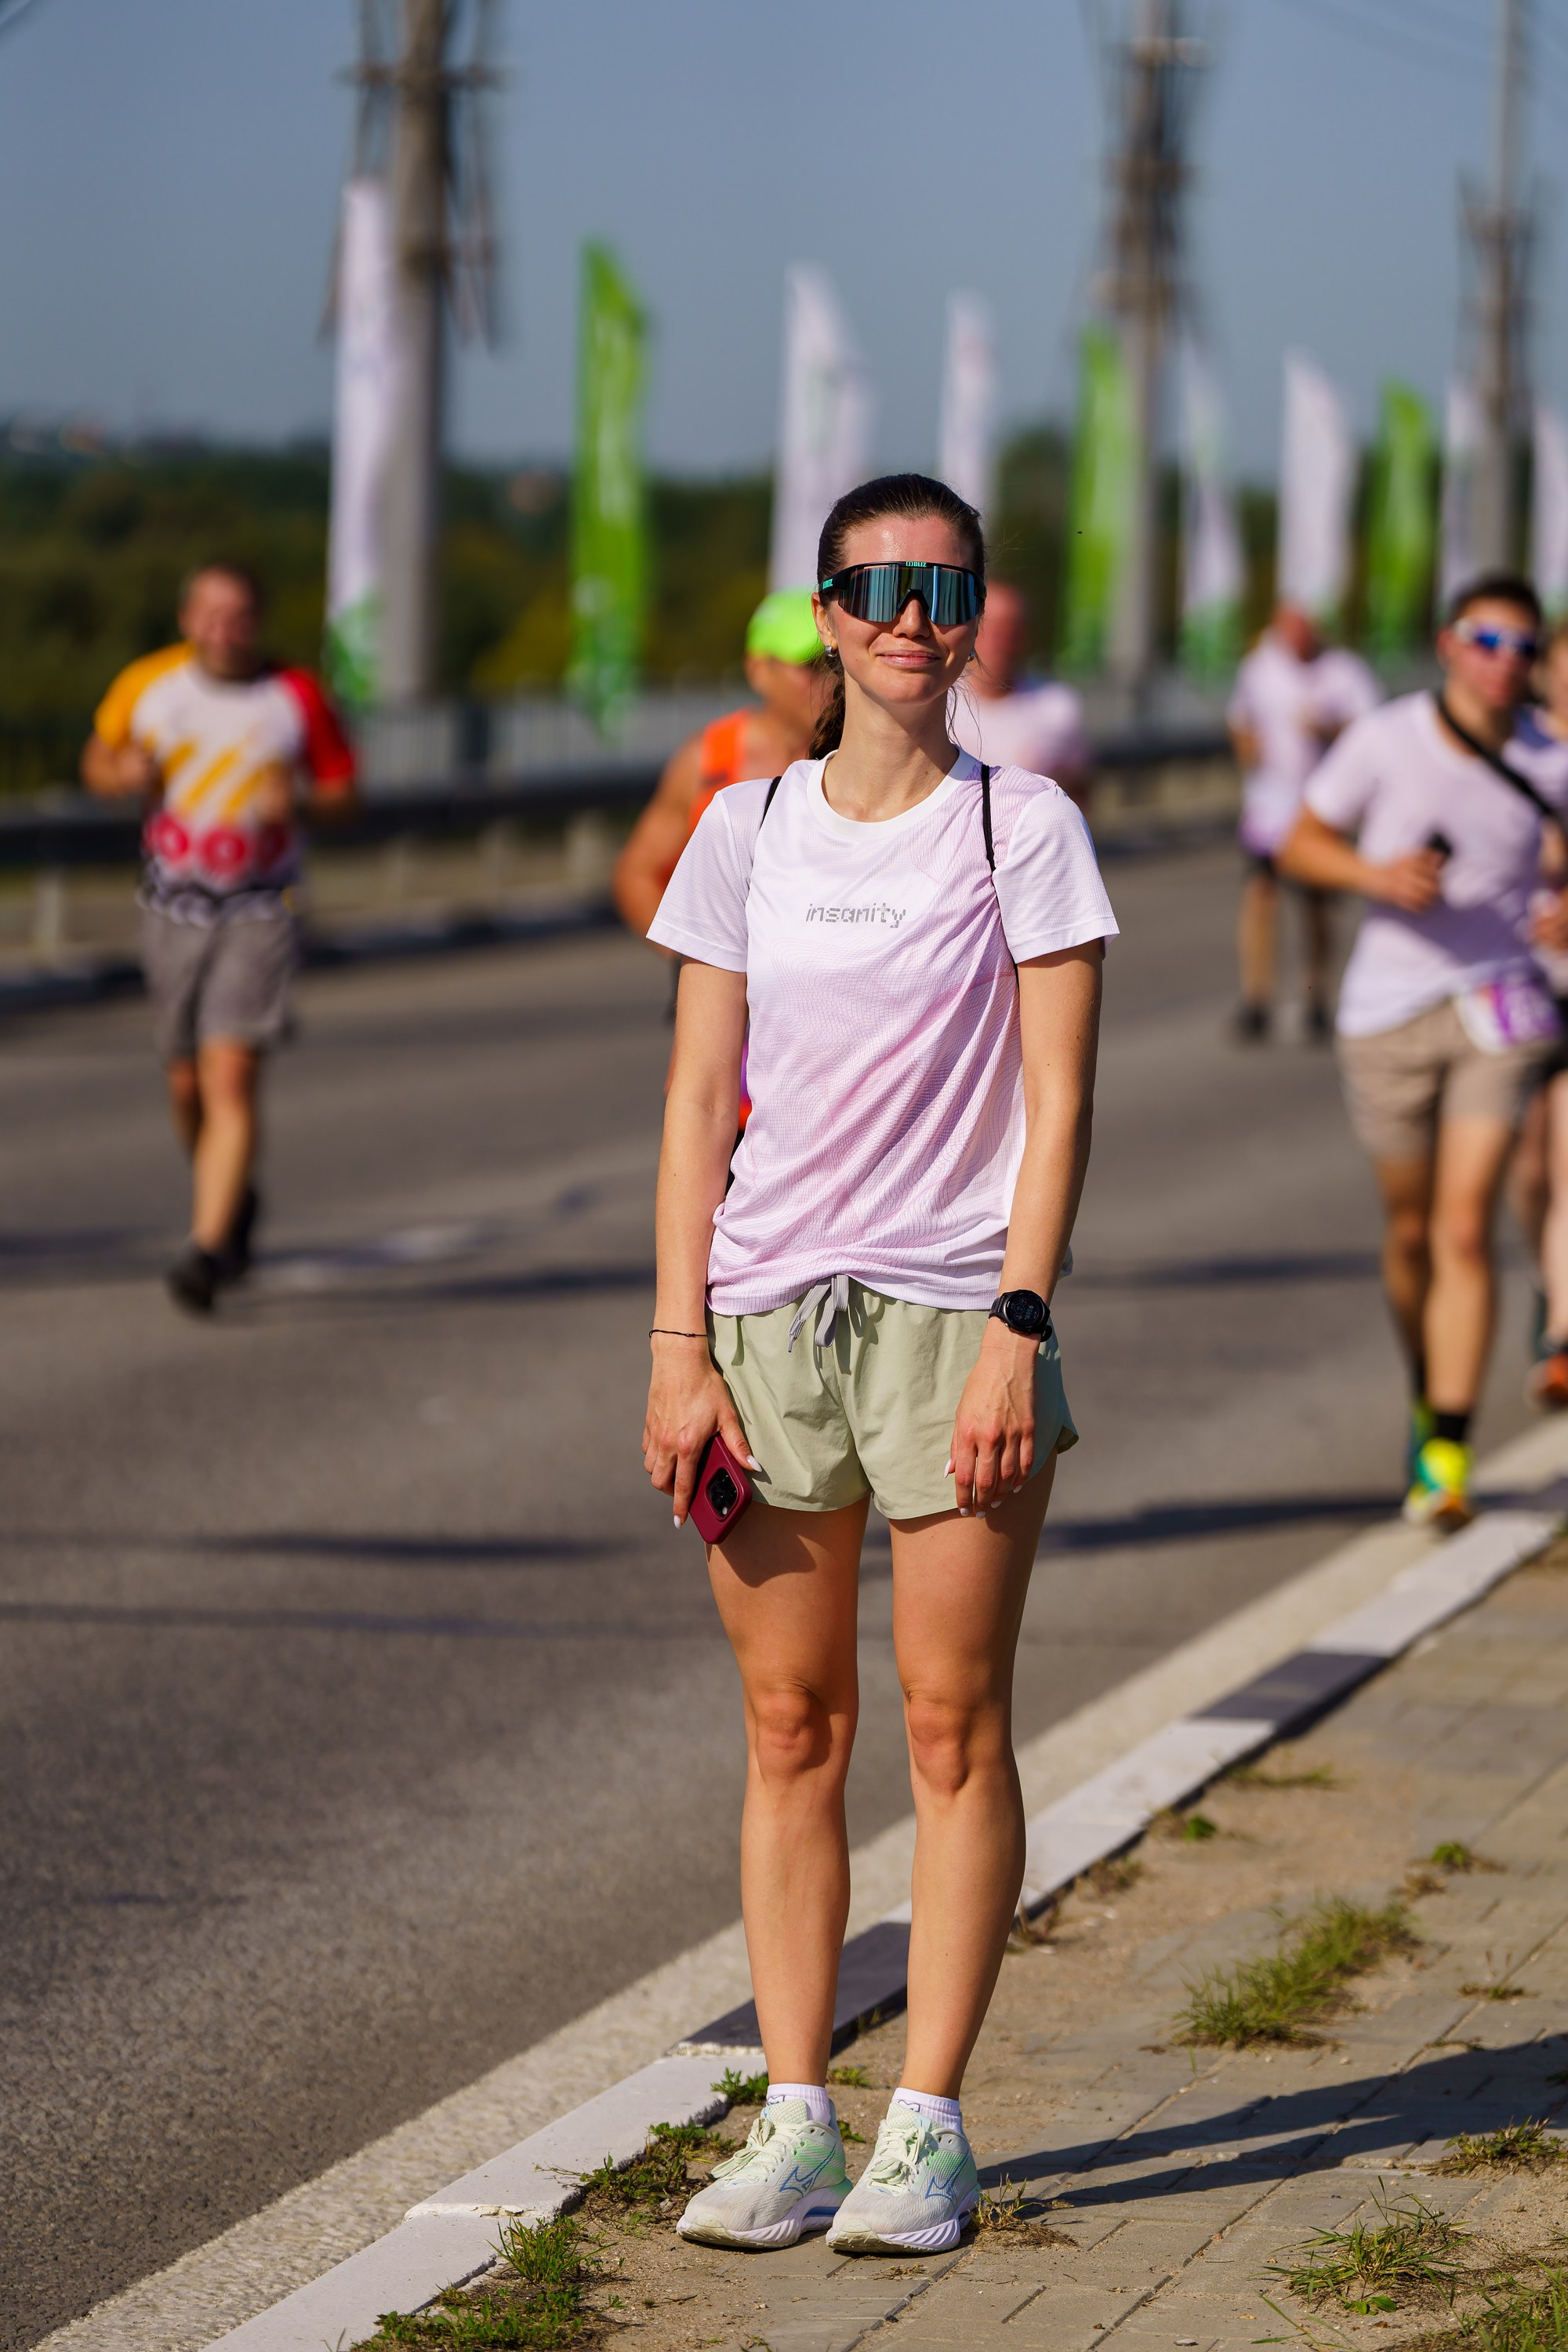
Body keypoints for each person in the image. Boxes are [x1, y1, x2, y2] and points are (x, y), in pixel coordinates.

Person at [641, 474, 1116, 2257]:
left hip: (949, 1319)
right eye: (878, 586)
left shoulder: (1022, 826)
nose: (914, 615)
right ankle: (792, 2118)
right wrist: (679, 1345)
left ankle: (926, 2119)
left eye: (946, 586)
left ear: (974, 616)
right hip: (762, 1322)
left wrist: (1018, 1319)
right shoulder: (744, 827)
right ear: (824, 618)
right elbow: (696, 1102)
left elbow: (1058, 1098)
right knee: (786, 1727)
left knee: (941, 1720)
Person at [1279, 574, 1568, 1527]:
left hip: (1498, 1007)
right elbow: (1298, 841)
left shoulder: (1549, 756)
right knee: (1408, 1236)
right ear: (1447, 644)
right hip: (1384, 1015)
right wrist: (1375, 874)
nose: (1504, 664)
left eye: (1522, 649)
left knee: (1459, 1227)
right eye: (1486, 641)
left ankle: (1445, 1448)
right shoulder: (1385, 739)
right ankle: (1425, 1384)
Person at [82, 564, 357, 1314]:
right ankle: (230, 1196)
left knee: (229, 1072)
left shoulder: (294, 696)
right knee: (185, 1082)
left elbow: (343, 791)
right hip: (171, 905)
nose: (223, 629)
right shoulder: (150, 684)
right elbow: (98, 759)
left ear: (258, 622)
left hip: (260, 908)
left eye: (238, 616)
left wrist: (298, 801)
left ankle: (206, 1249)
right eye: (210, 614)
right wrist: (119, 772)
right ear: (186, 618)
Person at [612, 590, 827, 949]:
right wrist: (698, 964)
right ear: (759, 670)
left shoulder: (858, 754)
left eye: (831, 663)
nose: (826, 678)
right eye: (808, 665)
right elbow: (638, 874)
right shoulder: (711, 758)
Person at [1228, 601, 1381, 1042]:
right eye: (1287, 628)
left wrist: (1329, 730)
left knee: (1314, 907)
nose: (1294, 637)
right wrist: (1247, 747)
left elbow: (1370, 735)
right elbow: (1240, 718)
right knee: (1260, 897)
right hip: (1268, 806)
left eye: (1302, 629)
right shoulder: (1260, 666)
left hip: (1319, 809)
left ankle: (1316, 999)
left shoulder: (1345, 672)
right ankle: (1256, 1001)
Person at [1503, 616, 1568, 1403]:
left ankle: (1559, 1333)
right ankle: (1545, 1279)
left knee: (1563, 1160)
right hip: (1513, 986)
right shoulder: (1514, 754)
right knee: (1526, 1169)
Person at [949, 579, 1091, 815]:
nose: (1000, 640)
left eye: (1011, 628)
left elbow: (1079, 789)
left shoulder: (1057, 705)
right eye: (989, 626)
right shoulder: (938, 702)